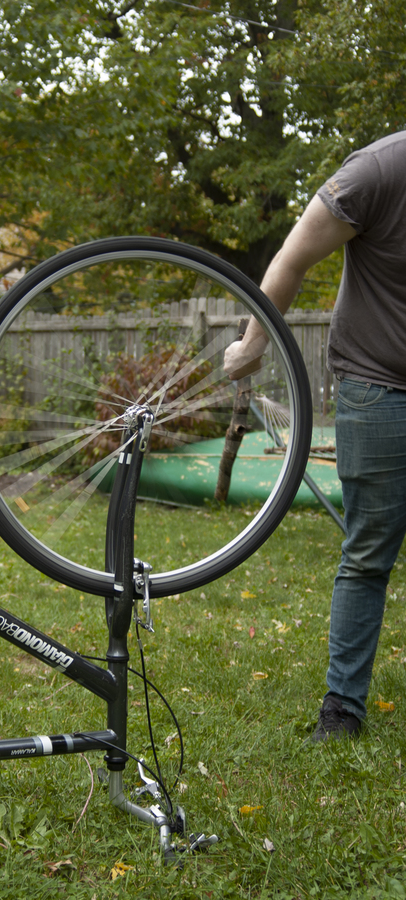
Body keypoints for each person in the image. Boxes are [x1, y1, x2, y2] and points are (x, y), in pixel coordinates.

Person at [224, 131, 406, 741]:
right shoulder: (378, 171)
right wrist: (252, 347)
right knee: (368, 552)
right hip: (381, 388)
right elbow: (292, 259)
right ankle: (343, 710)